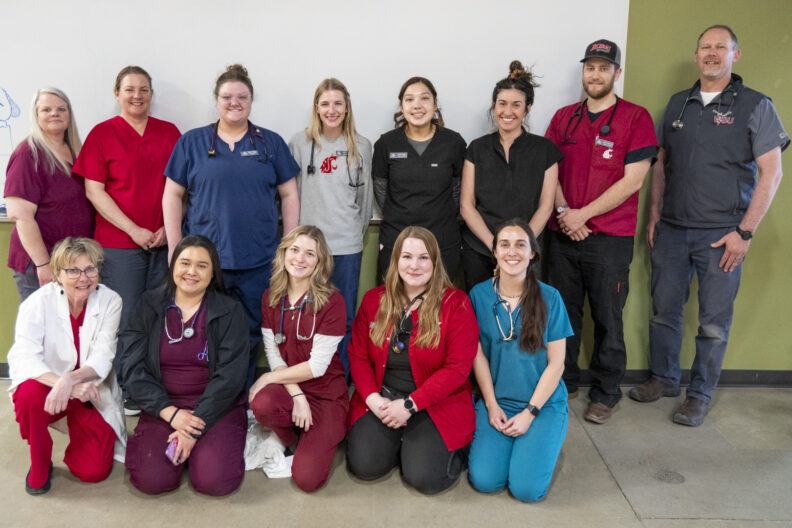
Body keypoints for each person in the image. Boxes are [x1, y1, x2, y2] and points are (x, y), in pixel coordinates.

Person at [630, 25, 788, 426]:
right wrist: (653, 216)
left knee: (713, 323)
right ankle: (664, 379)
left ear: (736, 55)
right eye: (705, 47)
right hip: (672, 229)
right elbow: (661, 165)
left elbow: (772, 173)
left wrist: (745, 233)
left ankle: (699, 394)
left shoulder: (755, 105)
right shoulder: (678, 104)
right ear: (696, 55)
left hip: (722, 234)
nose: (712, 53)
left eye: (721, 47)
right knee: (663, 311)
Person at [163, 64, 300, 388]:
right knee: (206, 328)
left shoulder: (270, 143)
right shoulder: (192, 143)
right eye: (227, 96)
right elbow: (172, 194)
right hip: (206, 262)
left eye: (242, 96)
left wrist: (290, 246)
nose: (234, 102)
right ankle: (210, 393)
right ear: (216, 100)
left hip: (258, 259)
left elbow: (290, 193)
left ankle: (245, 394)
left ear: (251, 101)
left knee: (254, 330)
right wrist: (174, 248)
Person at [544, 40, 657, 424]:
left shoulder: (636, 118)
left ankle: (606, 392)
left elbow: (633, 180)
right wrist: (563, 212)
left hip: (610, 238)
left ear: (616, 73)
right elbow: (549, 171)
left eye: (604, 68)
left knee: (609, 316)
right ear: (583, 72)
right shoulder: (564, 118)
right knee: (563, 314)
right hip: (562, 234)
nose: (595, 74)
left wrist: (583, 215)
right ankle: (565, 379)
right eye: (590, 67)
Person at [346, 226, 479, 495]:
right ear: (395, 260)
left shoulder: (456, 304)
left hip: (434, 402)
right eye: (406, 257)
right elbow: (358, 355)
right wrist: (373, 399)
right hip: (383, 399)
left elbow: (457, 369)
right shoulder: (374, 300)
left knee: (424, 479)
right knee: (365, 467)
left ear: (435, 262)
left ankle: (440, 448)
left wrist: (409, 405)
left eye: (423, 258)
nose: (414, 265)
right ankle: (405, 441)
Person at [118, 235, 249, 496]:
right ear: (173, 266)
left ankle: (197, 448)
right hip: (163, 407)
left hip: (216, 407)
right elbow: (131, 366)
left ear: (213, 273)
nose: (191, 271)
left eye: (202, 265)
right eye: (185, 263)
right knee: (152, 482)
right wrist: (171, 414)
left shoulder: (230, 311)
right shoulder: (148, 305)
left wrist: (193, 427)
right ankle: (187, 450)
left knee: (214, 483)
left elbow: (230, 376)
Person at [8, 237, 126, 495]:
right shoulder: (37, 303)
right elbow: (25, 357)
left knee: (92, 472)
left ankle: (75, 426)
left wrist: (70, 381)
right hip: (47, 388)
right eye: (73, 270)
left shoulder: (110, 300)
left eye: (90, 269)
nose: (84, 278)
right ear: (57, 274)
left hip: (89, 388)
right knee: (28, 395)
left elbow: (103, 357)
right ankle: (40, 463)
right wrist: (64, 384)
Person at [468, 218, 572, 502]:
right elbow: (477, 356)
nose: (512, 252)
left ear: (532, 254)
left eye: (520, 245)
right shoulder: (478, 295)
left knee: (526, 491)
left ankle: (542, 437)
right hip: (498, 401)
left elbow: (557, 364)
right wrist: (490, 405)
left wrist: (529, 413)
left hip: (542, 404)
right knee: (485, 481)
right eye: (504, 244)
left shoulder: (551, 298)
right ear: (495, 253)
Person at [73, 66, 180, 334]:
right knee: (124, 318)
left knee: (160, 316)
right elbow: (94, 191)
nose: (137, 95)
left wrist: (170, 228)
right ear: (117, 93)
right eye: (130, 89)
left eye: (144, 89)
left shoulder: (169, 133)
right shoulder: (102, 134)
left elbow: (183, 188)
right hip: (119, 245)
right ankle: (124, 376)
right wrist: (133, 230)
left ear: (151, 94)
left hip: (163, 242)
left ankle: (151, 376)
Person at [249, 225, 348, 492]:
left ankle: (316, 435)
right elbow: (273, 354)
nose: (300, 259)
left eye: (310, 254)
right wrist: (296, 396)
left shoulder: (333, 302)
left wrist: (270, 377)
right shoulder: (271, 298)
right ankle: (289, 435)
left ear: (320, 262)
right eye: (294, 250)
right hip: (293, 391)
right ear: (283, 254)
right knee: (262, 404)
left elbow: (317, 367)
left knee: (307, 480)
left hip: (326, 395)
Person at [289, 79, 373, 376]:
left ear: (347, 107)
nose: (332, 110)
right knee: (305, 315)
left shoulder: (361, 145)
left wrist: (352, 233)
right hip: (308, 250)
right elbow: (291, 194)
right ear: (316, 108)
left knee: (344, 317)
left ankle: (339, 379)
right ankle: (306, 377)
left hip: (346, 246)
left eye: (338, 103)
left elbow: (364, 200)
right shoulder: (299, 143)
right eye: (325, 104)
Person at [461, 61, 561, 291]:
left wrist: (518, 248)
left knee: (525, 318)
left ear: (528, 109)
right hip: (480, 249)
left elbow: (546, 206)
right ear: (493, 106)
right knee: (480, 317)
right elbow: (467, 206)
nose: (508, 112)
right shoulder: (476, 148)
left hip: (526, 252)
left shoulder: (545, 150)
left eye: (516, 105)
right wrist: (496, 247)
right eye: (502, 104)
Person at [5, 88, 93, 302]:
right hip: (42, 264)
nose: (55, 113)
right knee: (43, 331)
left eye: (61, 109)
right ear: (36, 116)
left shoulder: (75, 151)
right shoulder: (28, 154)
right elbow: (20, 215)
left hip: (73, 263)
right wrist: (43, 264)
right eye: (46, 109)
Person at [373, 77, 466, 279]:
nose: (417, 105)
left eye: (424, 98)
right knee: (395, 304)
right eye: (409, 99)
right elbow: (381, 191)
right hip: (396, 238)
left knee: (439, 305)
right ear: (401, 106)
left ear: (435, 104)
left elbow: (458, 190)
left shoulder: (453, 142)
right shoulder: (386, 144)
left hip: (442, 239)